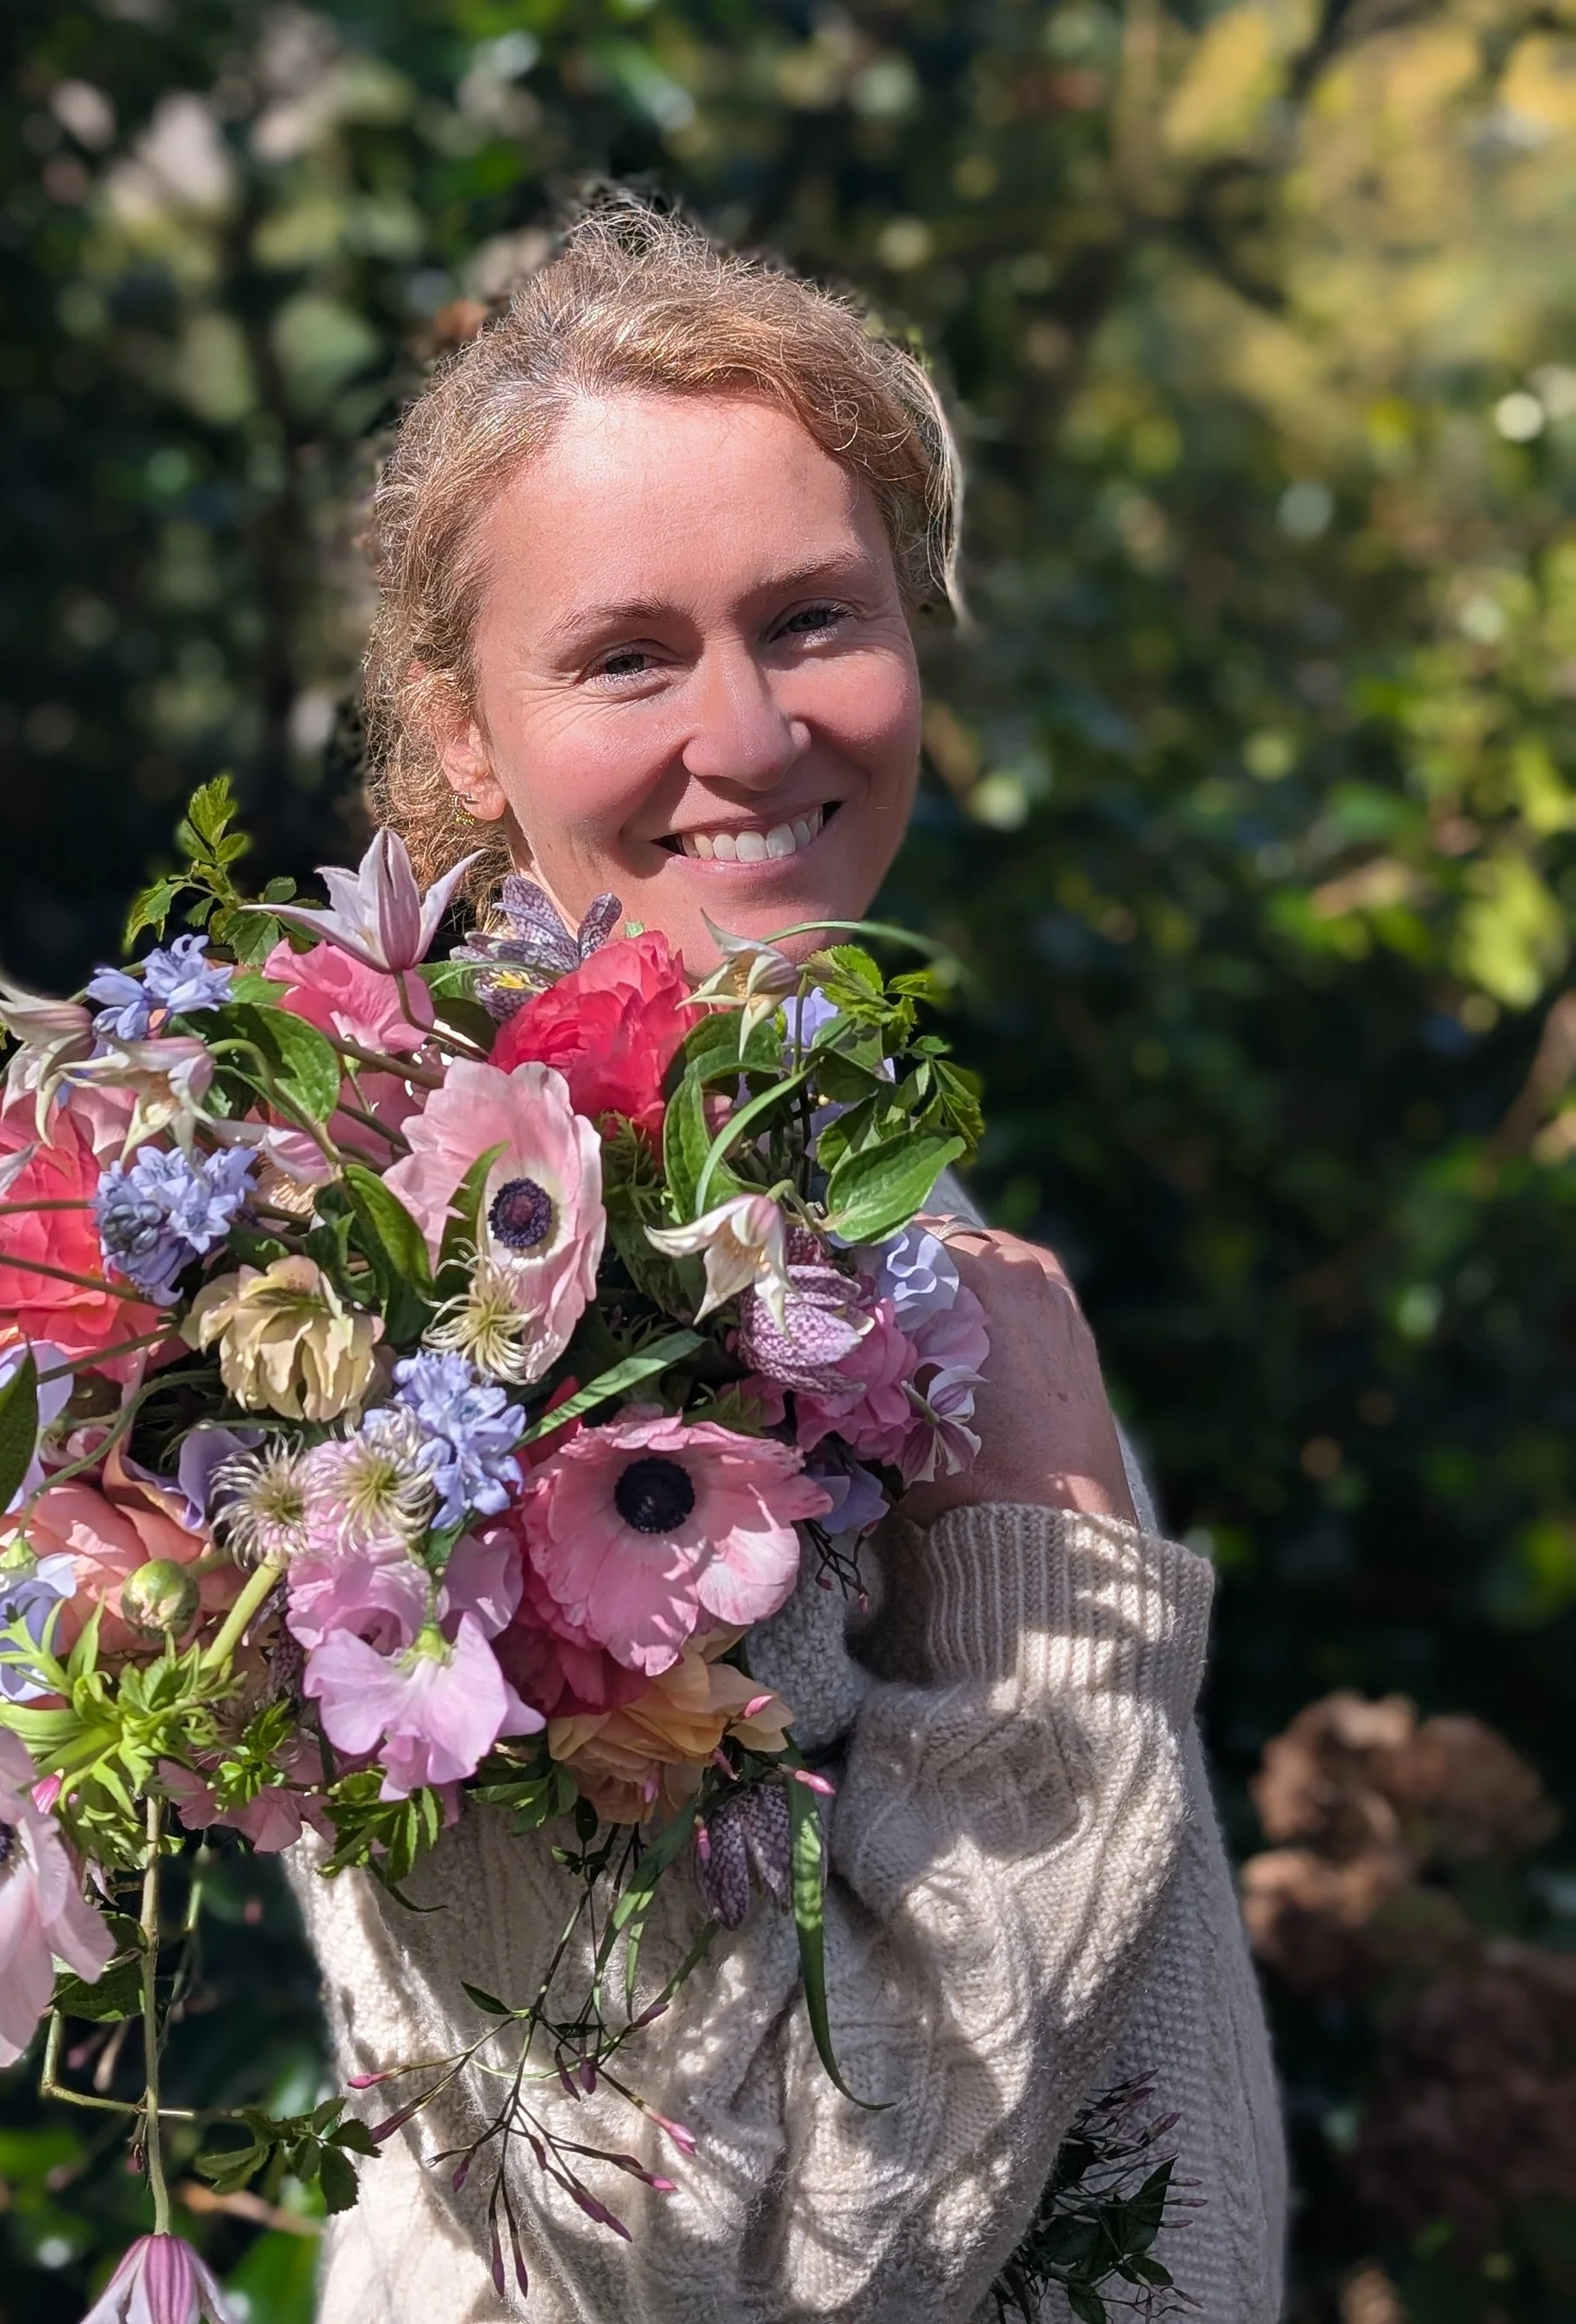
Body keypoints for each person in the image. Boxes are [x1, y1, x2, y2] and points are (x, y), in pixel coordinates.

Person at [289, 205, 1287, 2321]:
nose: (747, 736)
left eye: (811, 618)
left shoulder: (810, 1183)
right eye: (626, 656)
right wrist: (1047, 1562)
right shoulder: (456, 1338)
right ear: (464, 732)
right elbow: (730, 2260)